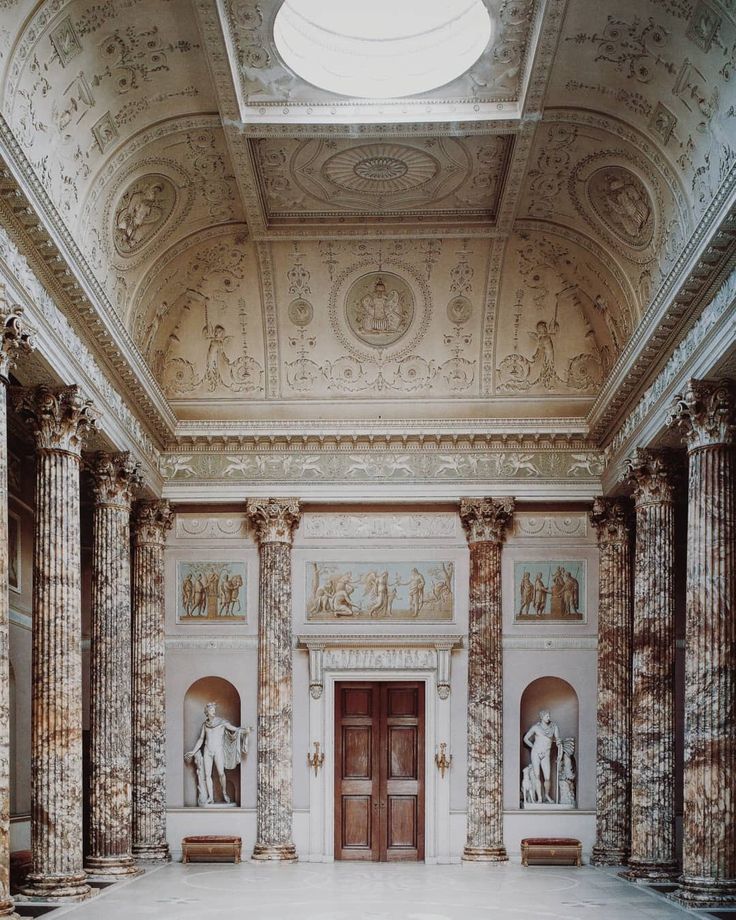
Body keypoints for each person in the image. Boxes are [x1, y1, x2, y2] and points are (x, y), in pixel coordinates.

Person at [184, 702, 251, 806]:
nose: (213, 711)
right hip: (207, 750)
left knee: (221, 773)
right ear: (207, 712)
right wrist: (193, 751)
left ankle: (224, 793)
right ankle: (211, 798)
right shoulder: (205, 725)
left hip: (218, 750)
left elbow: (234, 729)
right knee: (207, 775)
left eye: (214, 709)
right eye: (211, 710)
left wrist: (244, 731)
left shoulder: (221, 722)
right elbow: (201, 739)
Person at [523, 710, 562, 804]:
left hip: (546, 753)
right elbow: (525, 739)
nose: (549, 718)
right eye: (547, 716)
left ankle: (547, 795)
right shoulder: (535, 727)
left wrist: (559, 744)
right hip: (536, 753)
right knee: (537, 776)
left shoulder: (554, 727)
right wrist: (533, 747)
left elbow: (557, 740)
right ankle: (540, 798)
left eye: (549, 716)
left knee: (547, 777)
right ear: (542, 717)